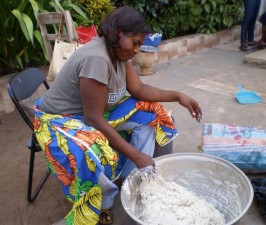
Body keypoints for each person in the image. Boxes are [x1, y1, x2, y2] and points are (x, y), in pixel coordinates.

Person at [33, 5, 202, 225]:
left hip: (93, 112)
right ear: (119, 32)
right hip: (60, 120)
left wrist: (178, 96)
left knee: (153, 113)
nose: (136, 50)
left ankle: (133, 181)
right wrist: (136, 154)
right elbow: (93, 119)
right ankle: (104, 201)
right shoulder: (97, 58)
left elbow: (138, 90)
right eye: (135, 43)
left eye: (140, 45)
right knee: (91, 150)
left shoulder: (119, 54)